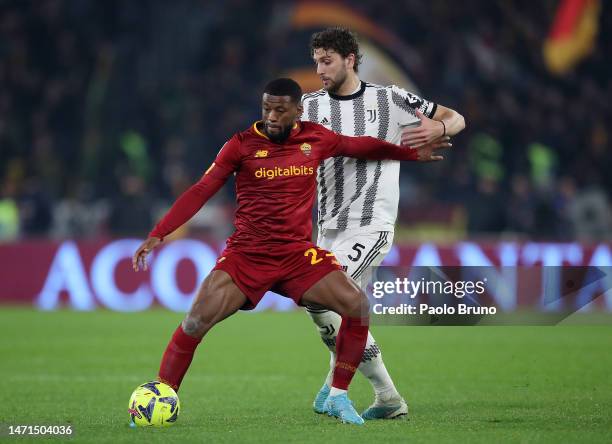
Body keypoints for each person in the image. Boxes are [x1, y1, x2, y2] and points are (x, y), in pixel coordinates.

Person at [132, 78, 450, 425]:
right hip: (247, 255)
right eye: (266, 108)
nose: (271, 116)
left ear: (298, 111)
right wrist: (159, 233)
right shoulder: (241, 145)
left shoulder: (316, 138)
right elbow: (201, 189)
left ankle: (339, 396)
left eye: (280, 110)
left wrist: (409, 154)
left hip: (297, 255)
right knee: (194, 322)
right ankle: (162, 396)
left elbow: (363, 146)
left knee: (356, 305)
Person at [302, 27, 466, 420]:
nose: (320, 69)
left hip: (371, 224)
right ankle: (351, 389)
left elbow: (455, 117)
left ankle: (382, 393)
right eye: (316, 62)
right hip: (327, 227)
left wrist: (439, 128)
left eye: (327, 61)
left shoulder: (389, 99)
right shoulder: (308, 106)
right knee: (328, 306)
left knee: (322, 295)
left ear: (350, 59)